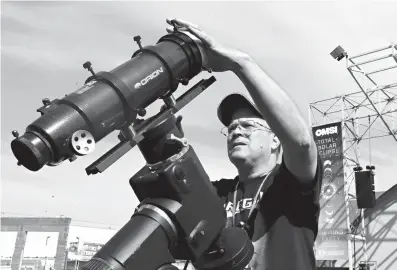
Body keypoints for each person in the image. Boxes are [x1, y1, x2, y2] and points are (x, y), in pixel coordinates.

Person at [166, 19, 323, 270]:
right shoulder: (219, 194)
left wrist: (239, 63)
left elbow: (302, 143)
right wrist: (172, 152)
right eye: (231, 128)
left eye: (248, 126)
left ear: (275, 139)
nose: (236, 130)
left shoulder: (292, 184)